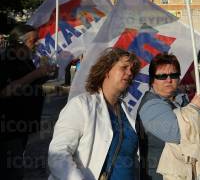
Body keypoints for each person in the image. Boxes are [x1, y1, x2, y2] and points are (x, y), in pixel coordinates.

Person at [48, 48, 142, 179]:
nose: (129, 73)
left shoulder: (125, 110)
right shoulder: (81, 105)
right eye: (124, 67)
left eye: (132, 70)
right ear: (107, 71)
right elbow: (58, 155)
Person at [137, 53, 200, 179]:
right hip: (163, 175)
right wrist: (194, 108)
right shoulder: (151, 105)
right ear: (152, 80)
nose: (169, 80)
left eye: (174, 75)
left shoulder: (180, 99)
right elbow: (177, 133)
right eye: (162, 76)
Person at [0, 24, 55, 180]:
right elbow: (5, 91)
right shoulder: (5, 61)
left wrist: (46, 74)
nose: (37, 44)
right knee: (11, 171)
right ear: (19, 43)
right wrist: (36, 73)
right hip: (8, 129)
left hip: (22, 126)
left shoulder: (26, 60)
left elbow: (29, 83)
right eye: (33, 41)